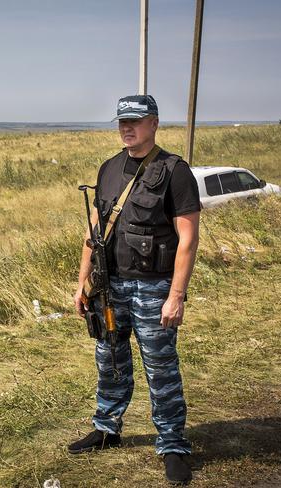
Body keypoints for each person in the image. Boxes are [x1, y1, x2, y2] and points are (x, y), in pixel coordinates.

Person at [68, 95, 201, 485]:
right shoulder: (109, 168)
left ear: (154, 123)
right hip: (111, 287)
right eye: (122, 122)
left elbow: (188, 239)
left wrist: (176, 295)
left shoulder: (174, 170)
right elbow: (94, 233)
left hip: (154, 287)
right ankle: (107, 428)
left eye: (136, 121)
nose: (127, 128)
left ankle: (173, 444)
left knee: (160, 367)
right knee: (109, 358)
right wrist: (82, 284)